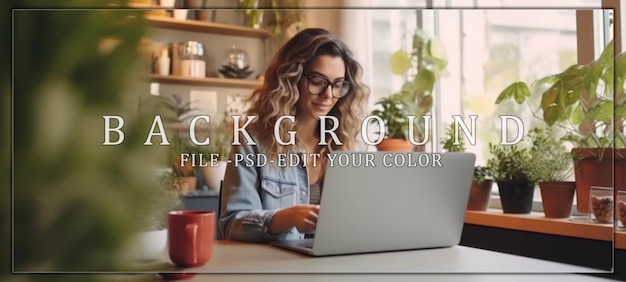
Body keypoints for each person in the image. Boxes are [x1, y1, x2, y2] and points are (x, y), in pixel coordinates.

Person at [218, 28, 370, 242]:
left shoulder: (348, 145)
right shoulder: (252, 142)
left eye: (338, 85)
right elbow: (231, 224)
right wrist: (283, 218)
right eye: (318, 81)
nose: (328, 94)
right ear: (292, 78)